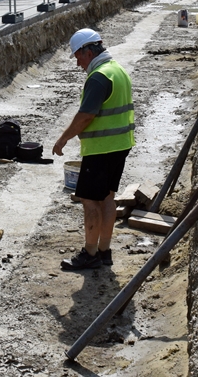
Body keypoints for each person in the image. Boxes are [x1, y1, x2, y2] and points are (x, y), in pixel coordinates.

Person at [52, 28, 135, 271]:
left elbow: (86, 115)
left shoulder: (99, 77)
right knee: (107, 197)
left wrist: (62, 139)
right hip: (120, 145)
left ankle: (89, 254)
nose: (78, 64)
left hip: (101, 148)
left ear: (88, 52)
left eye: (78, 57)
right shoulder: (118, 70)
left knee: (89, 201)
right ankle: (104, 251)